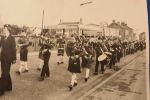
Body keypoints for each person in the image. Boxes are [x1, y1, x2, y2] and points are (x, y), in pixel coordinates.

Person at [0, 25, 16, 96]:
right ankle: (9, 87)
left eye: (5, 29)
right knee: (5, 72)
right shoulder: (2, 38)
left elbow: (14, 49)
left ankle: (1, 90)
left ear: (8, 30)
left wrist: (14, 58)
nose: (3, 30)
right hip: (2, 58)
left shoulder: (12, 38)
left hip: (8, 59)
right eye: (3, 29)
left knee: (4, 74)